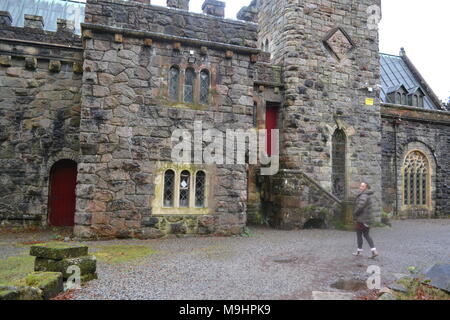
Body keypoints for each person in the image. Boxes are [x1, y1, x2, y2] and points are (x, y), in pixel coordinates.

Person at [352, 182, 379, 258]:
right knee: (366, 235)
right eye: (360, 185)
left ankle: (359, 252)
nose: (360, 187)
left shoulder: (363, 195)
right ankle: (374, 251)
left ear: (366, 188)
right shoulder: (367, 195)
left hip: (361, 219)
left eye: (362, 186)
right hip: (367, 219)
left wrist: (355, 213)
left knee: (359, 234)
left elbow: (360, 206)